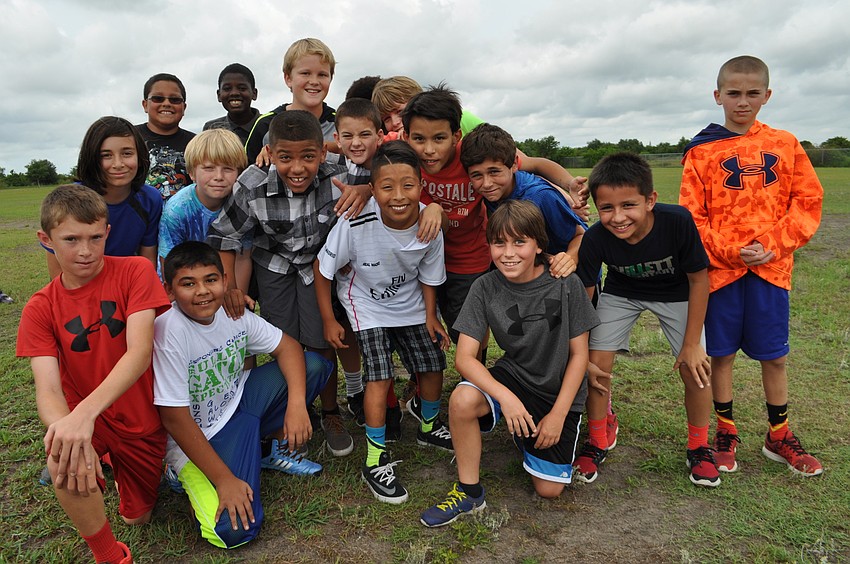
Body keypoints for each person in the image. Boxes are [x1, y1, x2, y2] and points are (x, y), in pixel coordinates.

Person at [679, 55, 824, 477]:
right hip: (720, 274)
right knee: (720, 356)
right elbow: (691, 216)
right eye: (734, 93)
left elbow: (808, 202)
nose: (742, 101)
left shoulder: (785, 144)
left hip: (770, 272)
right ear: (718, 96)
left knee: (773, 357)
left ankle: (778, 434)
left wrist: (772, 246)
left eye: (752, 93)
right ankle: (725, 432)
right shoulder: (701, 151)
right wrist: (728, 251)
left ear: (767, 95)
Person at [16, 184, 171, 563]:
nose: (85, 250)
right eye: (71, 239)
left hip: (139, 418)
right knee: (61, 454)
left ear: (107, 233)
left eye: (95, 238)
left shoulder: (135, 271)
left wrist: (83, 415)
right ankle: (109, 555)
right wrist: (69, 427)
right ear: (46, 240)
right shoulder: (39, 308)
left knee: (137, 517)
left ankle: (116, 464)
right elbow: (48, 390)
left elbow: (139, 352)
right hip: (88, 417)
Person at [420, 200, 598, 527]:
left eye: (519, 242)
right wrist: (508, 399)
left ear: (539, 245)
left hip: (557, 389)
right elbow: (464, 358)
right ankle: (469, 492)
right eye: (498, 243)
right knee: (462, 399)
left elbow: (579, 355)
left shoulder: (565, 282)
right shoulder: (485, 287)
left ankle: (528, 431)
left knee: (548, 490)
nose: (508, 253)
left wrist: (558, 415)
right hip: (514, 376)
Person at [206, 110, 371, 458]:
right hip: (274, 264)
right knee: (283, 338)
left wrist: (366, 188)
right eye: (285, 158)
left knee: (321, 339)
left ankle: (329, 412)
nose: (297, 168)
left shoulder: (341, 174)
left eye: (308, 157)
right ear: (269, 153)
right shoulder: (251, 183)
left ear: (322, 153)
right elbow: (225, 235)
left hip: (319, 265)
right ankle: (294, 410)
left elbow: (381, 175)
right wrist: (230, 287)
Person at [153, 241, 332, 548]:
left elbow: (288, 348)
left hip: (241, 401)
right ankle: (179, 473)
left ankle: (266, 448)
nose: (202, 291)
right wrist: (224, 480)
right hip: (201, 434)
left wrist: (296, 406)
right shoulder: (169, 331)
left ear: (225, 280)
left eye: (210, 280)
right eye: (188, 284)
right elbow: (174, 418)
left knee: (313, 366)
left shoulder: (230, 312)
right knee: (233, 531)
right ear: (169, 290)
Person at [315, 141, 452, 504]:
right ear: (372, 190)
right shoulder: (355, 220)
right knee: (379, 375)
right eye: (387, 187)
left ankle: (429, 425)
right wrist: (328, 318)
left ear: (421, 186)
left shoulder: (429, 223)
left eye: (408, 185)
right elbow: (323, 269)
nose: (399, 196)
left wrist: (431, 316)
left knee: (433, 362)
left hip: (410, 301)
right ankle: (375, 458)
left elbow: (429, 275)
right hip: (366, 304)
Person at [401, 84, 586, 349]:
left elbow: (534, 164)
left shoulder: (478, 157)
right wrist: (362, 189)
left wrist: (569, 186)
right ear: (406, 136)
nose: (429, 149)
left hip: (475, 257)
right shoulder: (406, 157)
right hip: (427, 254)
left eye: (439, 138)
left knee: (475, 325)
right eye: (419, 139)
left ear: (455, 136)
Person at [573, 152, 718, 487]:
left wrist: (692, 344)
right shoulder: (594, 238)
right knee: (595, 364)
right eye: (607, 208)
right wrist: (583, 353)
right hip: (622, 291)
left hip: (676, 293)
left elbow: (699, 280)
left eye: (628, 205)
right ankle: (597, 440)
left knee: (695, 367)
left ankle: (699, 447)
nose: (617, 217)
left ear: (650, 200)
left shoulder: (677, 221)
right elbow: (586, 297)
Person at [45, 116, 163, 280]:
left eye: (127, 153)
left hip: (126, 284)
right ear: (91, 158)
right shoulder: (69, 200)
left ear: (140, 155)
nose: (118, 164)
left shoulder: (149, 199)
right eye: (106, 155)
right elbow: (58, 274)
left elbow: (147, 261)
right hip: (81, 285)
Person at [460, 122, 587, 273]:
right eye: (477, 175)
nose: (487, 184)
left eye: (494, 172)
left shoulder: (540, 197)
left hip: (567, 276)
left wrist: (568, 259)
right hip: (528, 273)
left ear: (514, 164)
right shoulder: (490, 194)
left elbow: (581, 235)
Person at [157, 129, 250, 285]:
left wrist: (238, 294)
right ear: (192, 173)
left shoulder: (243, 205)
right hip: (184, 279)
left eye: (228, 168)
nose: (219, 177)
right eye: (209, 168)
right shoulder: (177, 210)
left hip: (224, 276)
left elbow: (243, 257)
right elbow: (168, 260)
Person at [244, 38, 338, 164]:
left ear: (331, 78)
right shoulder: (265, 125)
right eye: (305, 73)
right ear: (288, 78)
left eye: (322, 75)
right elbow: (242, 169)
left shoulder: (340, 123)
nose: (314, 81)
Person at [137, 73, 196, 200]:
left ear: (184, 107)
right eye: (158, 98)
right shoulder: (129, 137)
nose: (167, 103)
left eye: (175, 100)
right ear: (145, 105)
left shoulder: (197, 144)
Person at [371, 76, 483, 139]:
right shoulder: (391, 145)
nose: (395, 122)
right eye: (386, 118)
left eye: (400, 112)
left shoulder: (463, 118)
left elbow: (491, 142)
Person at [203, 63, 261, 145]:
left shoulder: (268, 125)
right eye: (227, 89)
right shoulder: (211, 129)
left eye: (242, 88)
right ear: (219, 95)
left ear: (254, 94)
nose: (234, 93)